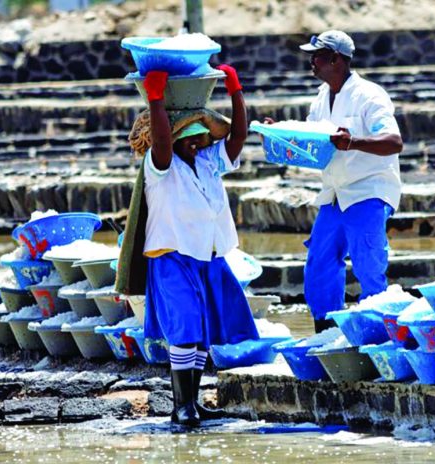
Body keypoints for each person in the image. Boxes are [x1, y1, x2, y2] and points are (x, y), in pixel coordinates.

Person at [140, 65, 258, 427]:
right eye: (188, 139)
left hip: (208, 255)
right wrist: (157, 99)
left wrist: (235, 90)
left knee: (205, 331)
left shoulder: (207, 162)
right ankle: (181, 405)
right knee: (187, 326)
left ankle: (193, 402)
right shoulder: (161, 165)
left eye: (200, 139)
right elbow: (160, 141)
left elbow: (238, 135)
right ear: (174, 141)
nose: (196, 143)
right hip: (172, 256)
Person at [274, 30, 404, 333]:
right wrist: (280, 134)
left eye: (317, 56)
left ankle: (377, 334)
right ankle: (328, 331)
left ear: (336, 59)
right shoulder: (321, 98)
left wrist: (353, 141)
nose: (312, 62)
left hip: (368, 189)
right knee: (319, 262)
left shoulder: (369, 95)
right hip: (336, 192)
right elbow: (311, 140)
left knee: (367, 264)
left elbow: (394, 141)